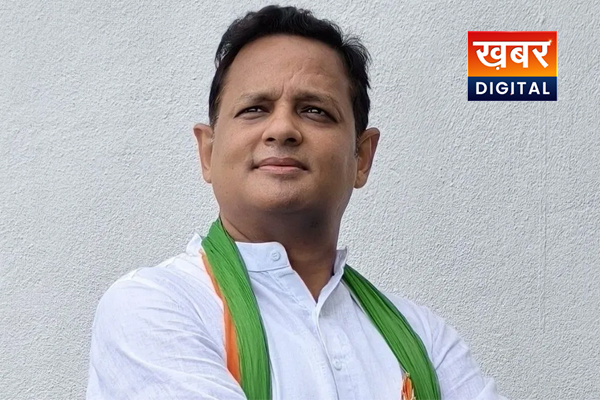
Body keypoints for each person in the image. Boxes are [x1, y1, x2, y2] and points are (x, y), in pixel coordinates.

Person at [87, 5, 507, 400]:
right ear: (207, 152)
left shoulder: (425, 340)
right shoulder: (154, 306)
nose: (282, 129)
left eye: (314, 111)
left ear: (362, 158)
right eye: (255, 109)